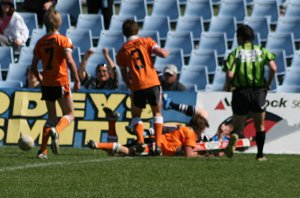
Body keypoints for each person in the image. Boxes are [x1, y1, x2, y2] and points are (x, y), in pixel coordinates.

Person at [31, 8, 80, 159]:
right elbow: (70, 61)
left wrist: (40, 81)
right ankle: (56, 131)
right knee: (70, 114)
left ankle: (43, 151)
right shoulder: (63, 40)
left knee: (51, 117)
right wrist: (77, 79)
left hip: (47, 83)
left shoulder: (40, 43)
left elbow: (33, 67)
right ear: (59, 23)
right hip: (61, 82)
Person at [222, 24, 277, 161]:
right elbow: (273, 68)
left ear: (240, 37)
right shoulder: (261, 51)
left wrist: (228, 87)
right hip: (257, 91)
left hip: (240, 92)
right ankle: (260, 155)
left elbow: (229, 74)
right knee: (260, 125)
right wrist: (268, 83)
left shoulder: (236, 52)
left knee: (238, 126)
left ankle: (235, 136)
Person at [116, 19, 169, 155]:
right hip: (152, 82)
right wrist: (166, 52)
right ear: (137, 30)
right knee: (157, 113)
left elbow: (124, 75)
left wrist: (131, 87)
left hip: (138, 85)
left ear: (124, 33)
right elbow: (162, 53)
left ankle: (140, 142)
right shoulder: (146, 42)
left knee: (136, 115)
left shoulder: (121, 51)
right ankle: (157, 145)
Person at [87, 110, 209, 157]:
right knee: (128, 151)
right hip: (156, 147)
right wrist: (201, 156)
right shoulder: (191, 134)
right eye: (201, 131)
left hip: (153, 140)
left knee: (113, 153)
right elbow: (188, 154)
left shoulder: (182, 128)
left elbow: (167, 131)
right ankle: (97, 144)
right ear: (199, 128)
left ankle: (112, 123)